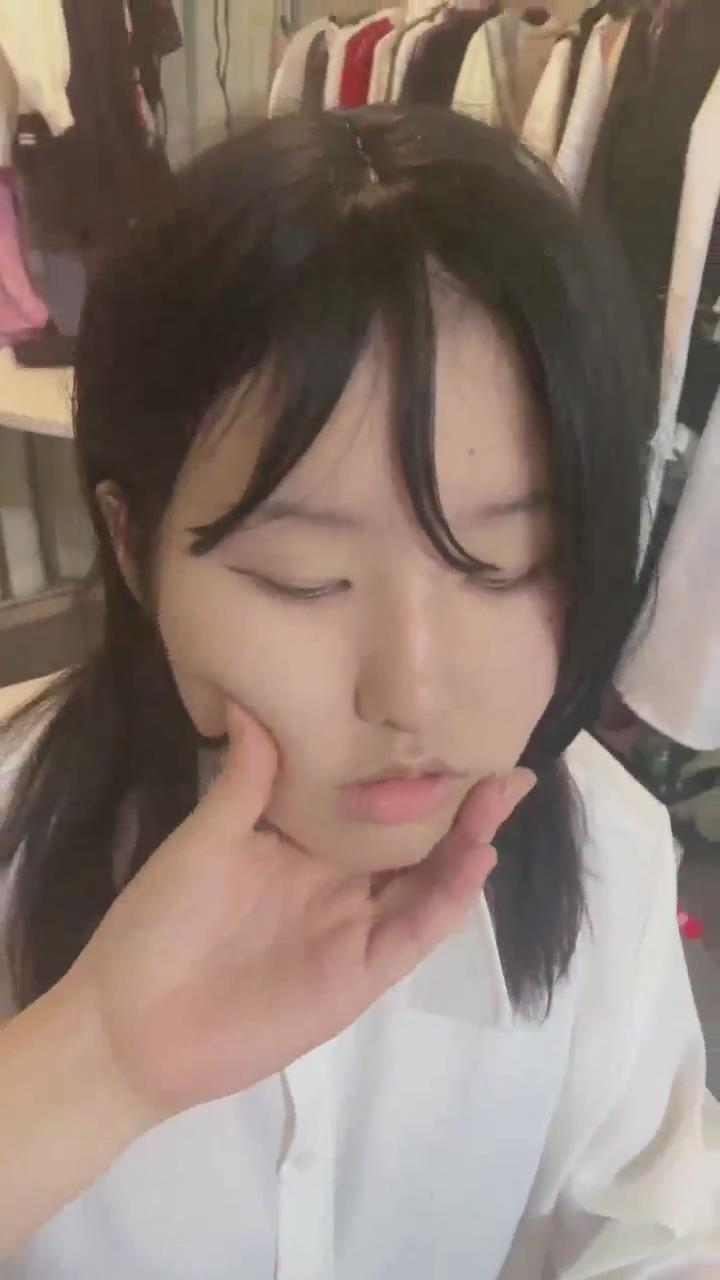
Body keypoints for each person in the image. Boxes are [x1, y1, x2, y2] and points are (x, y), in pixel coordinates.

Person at [0, 106, 717, 1278]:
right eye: (304, 578)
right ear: (133, 549)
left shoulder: (610, 856)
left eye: (507, 562)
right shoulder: (14, 846)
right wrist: (93, 1061)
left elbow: (666, 1230)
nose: (412, 693)